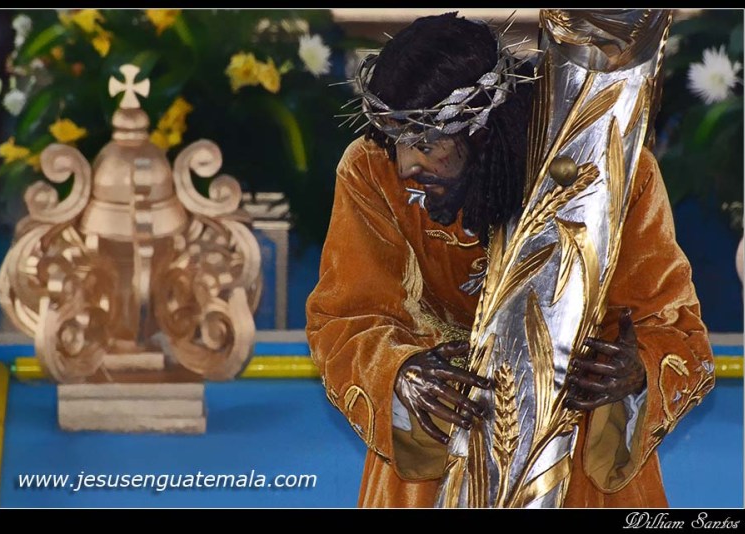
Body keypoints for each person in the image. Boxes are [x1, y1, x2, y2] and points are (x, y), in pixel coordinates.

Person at [305, 12, 715, 508]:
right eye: (397, 142)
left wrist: (634, 373)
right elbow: (345, 317)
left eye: (427, 144)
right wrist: (399, 373)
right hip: (442, 431)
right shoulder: (371, 171)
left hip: (576, 443)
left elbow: (674, 325)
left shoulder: (607, 170)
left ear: (481, 131)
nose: (407, 164)